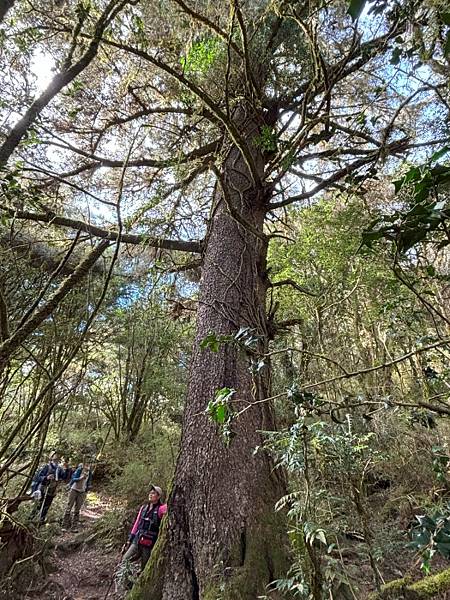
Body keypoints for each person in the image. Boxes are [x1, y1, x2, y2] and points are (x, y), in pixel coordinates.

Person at [121, 485, 167, 570]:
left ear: (159, 496)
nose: (150, 495)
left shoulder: (160, 509)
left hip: (149, 543)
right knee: (125, 560)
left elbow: (170, 506)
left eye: (153, 493)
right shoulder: (144, 508)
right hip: (137, 540)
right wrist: (130, 539)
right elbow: (137, 523)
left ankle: (139, 580)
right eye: (150, 493)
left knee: (144, 567)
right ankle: (129, 582)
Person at [30, 451, 67, 523]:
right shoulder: (46, 467)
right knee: (38, 506)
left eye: (58, 457)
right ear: (51, 457)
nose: (56, 458)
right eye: (55, 456)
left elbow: (64, 477)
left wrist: (66, 469)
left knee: (46, 507)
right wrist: (46, 477)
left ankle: (41, 521)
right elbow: (38, 477)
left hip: (52, 490)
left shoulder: (60, 469)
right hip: (43, 489)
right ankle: (30, 520)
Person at [62, 462, 92, 530]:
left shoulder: (90, 473)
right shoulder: (79, 470)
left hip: (82, 492)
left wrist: (88, 487)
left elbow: (89, 482)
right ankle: (64, 526)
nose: (87, 467)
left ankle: (74, 527)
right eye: (86, 465)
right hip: (74, 489)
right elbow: (74, 479)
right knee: (69, 507)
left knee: (77, 510)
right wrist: (80, 478)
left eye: (89, 465)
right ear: (84, 465)